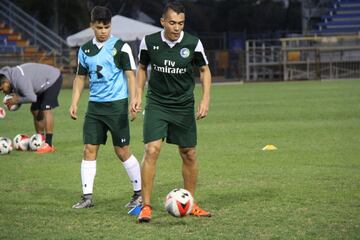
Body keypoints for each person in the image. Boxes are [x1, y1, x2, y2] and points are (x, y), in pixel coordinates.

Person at [135, 1, 212, 223]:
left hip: (183, 106)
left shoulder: (193, 43)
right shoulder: (149, 42)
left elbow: (205, 71)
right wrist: (138, 94)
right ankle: (146, 206)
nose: (177, 27)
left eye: (181, 23)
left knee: (189, 153)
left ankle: (191, 203)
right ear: (162, 22)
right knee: (151, 150)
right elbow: (141, 68)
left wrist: (205, 99)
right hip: (157, 103)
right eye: (172, 23)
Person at [69, 6, 142, 209]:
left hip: (117, 106)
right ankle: (87, 197)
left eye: (107, 27)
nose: (103, 31)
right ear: (92, 25)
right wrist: (74, 101)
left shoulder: (120, 47)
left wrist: (134, 100)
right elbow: (80, 77)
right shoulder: (85, 50)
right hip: (94, 108)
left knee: (122, 150)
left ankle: (139, 193)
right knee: (89, 149)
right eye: (99, 27)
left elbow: (130, 75)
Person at [0, 63, 62, 153]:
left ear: (6, 82)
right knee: (35, 110)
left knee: (46, 108)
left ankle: (49, 145)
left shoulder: (19, 80)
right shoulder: (5, 75)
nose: (3, 92)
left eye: (2, 89)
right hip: (40, 84)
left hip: (52, 79)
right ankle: (40, 140)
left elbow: (32, 98)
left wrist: (17, 100)